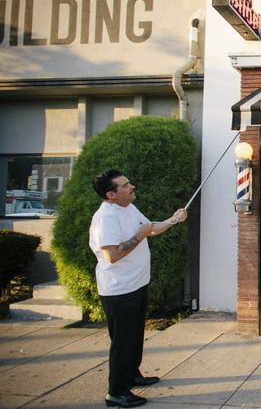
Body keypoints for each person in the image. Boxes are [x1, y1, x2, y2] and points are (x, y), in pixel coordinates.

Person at [89, 170, 187, 408]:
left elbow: (150, 228)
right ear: (111, 194)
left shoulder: (128, 208)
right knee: (122, 341)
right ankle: (117, 392)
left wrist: (173, 219)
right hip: (119, 289)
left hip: (136, 284)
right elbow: (111, 255)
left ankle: (132, 374)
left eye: (128, 183)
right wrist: (140, 236)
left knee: (134, 337)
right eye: (125, 185)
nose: (131, 186)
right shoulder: (106, 217)